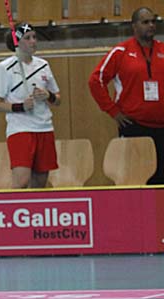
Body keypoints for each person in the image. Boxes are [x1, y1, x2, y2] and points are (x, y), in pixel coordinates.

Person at [88, 7, 164, 184]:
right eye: (145, 22)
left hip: (162, 127)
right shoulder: (120, 52)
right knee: (136, 179)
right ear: (134, 26)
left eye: (153, 21)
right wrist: (113, 111)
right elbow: (95, 81)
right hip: (134, 127)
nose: (151, 25)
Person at [0, 22, 61, 189]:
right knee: (22, 181)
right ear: (17, 42)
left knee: (40, 182)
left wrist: (48, 96)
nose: (33, 41)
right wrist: (20, 106)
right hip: (20, 129)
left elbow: (58, 99)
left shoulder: (43, 65)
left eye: (34, 37)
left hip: (44, 128)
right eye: (28, 38)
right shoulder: (4, 68)